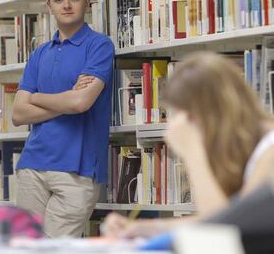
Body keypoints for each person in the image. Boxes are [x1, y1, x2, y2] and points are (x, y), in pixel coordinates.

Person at [103, 51, 274, 239]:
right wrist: (140, 228)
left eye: (188, 118)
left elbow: (226, 226)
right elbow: (219, 217)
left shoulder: (270, 150)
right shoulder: (243, 143)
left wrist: (193, 151)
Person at [12, 0, 114, 238]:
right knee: (24, 247)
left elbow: (81, 103)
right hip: (32, 166)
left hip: (77, 171)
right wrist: (64, 99)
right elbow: (19, 113)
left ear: (87, 2)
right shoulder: (38, 54)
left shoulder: (99, 46)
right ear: (49, 6)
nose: (66, 5)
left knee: (56, 249)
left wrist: (35, 97)